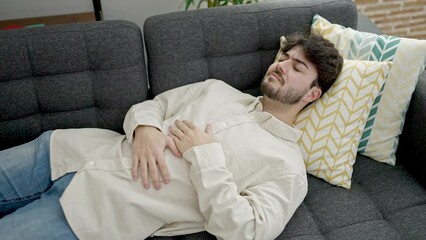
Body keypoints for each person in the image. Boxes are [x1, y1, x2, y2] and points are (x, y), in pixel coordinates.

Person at [0, 33, 343, 240]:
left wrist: (205, 157)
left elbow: (247, 231)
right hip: (61, 151)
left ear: (312, 94)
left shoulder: (287, 168)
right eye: (285, 57)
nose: (282, 64)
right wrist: (145, 128)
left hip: (89, 217)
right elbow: (152, 106)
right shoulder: (217, 90)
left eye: (297, 68)